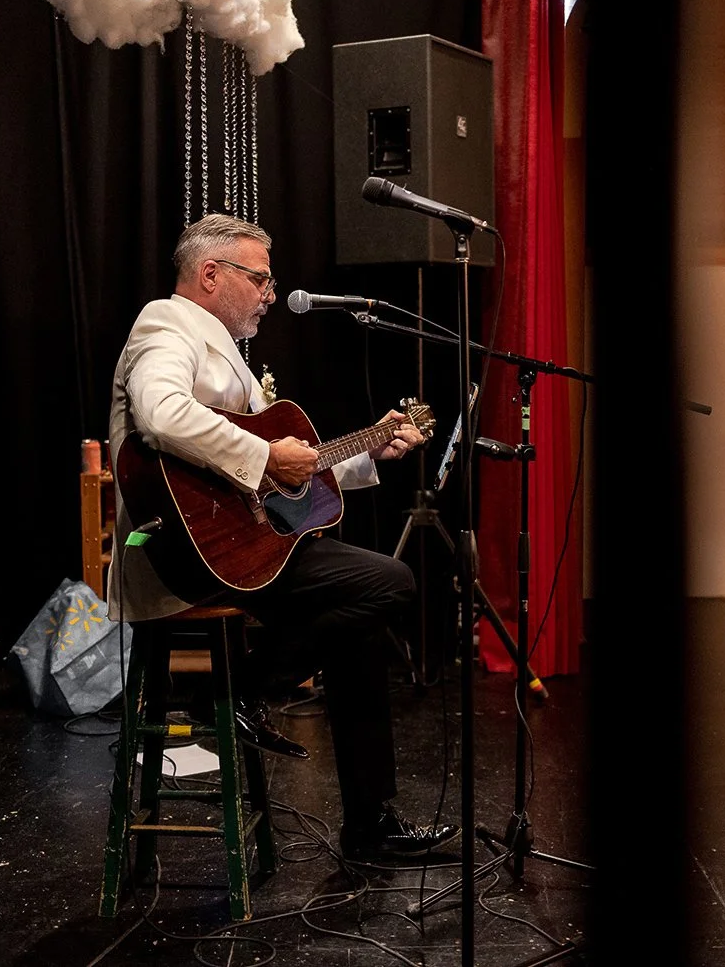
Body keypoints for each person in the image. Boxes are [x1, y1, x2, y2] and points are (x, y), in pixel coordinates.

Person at [106, 213, 460, 861]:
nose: (272, 293)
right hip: (183, 555)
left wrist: (369, 451)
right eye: (260, 278)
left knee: (358, 614)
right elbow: (160, 413)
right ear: (210, 274)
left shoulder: (230, 359)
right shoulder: (167, 324)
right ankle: (246, 687)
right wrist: (267, 459)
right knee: (391, 579)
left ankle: (369, 824)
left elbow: (283, 476)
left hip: (238, 547)